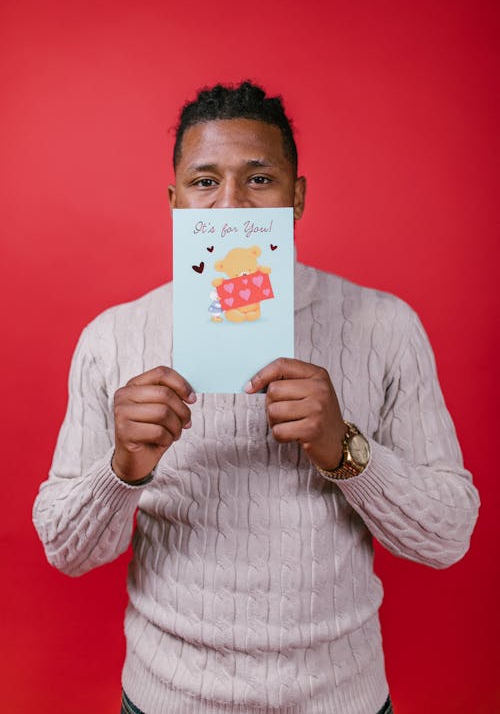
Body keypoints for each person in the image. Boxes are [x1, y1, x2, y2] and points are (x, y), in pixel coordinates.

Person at [33, 81, 479, 714]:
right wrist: (123, 469)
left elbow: (447, 537)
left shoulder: (386, 325)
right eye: (205, 181)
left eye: (260, 180)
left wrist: (346, 450)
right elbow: (66, 550)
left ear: (297, 198)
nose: (230, 203)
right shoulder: (114, 336)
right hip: (168, 697)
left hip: (341, 699)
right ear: (175, 201)